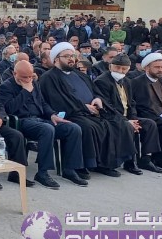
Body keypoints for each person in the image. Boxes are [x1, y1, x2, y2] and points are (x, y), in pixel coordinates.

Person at [38, 42, 138, 178]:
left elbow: (95, 91)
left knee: (114, 124)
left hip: (90, 112)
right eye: (66, 56)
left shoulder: (80, 75)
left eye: (72, 55)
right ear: (56, 59)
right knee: (89, 127)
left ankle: (106, 164)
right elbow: (58, 101)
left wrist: (97, 100)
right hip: (71, 114)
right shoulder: (49, 78)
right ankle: (83, 165)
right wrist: (84, 107)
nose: (71, 59)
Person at [0, 60, 86, 188]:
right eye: (24, 77)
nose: (28, 80)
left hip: (40, 118)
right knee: (47, 129)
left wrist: (52, 115)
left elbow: (43, 103)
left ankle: (70, 169)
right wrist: (25, 92)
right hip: (22, 121)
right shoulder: (6, 86)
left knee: (73, 128)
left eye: (30, 76)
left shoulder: (34, 83)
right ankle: (43, 172)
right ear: (14, 73)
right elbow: (8, 109)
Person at [95, 54, 162, 174]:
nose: (120, 71)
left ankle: (146, 159)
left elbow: (131, 103)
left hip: (126, 117)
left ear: (128, 69)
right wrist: (127, 121)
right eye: (117, 68)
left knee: (150, 124)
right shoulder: (102, 81)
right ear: (110, 67)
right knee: (127, 126)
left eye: (123, 69)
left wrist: (133, 119)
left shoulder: (127, 81)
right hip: (110, 117)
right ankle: (128, 162)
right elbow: (107, 106)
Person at [130, 53, 162, 172]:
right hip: (148, 115)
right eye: (156, 67)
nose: (160, 70)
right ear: (147, 68)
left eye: (161, 67)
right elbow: (141, 105)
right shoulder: (137, 82)